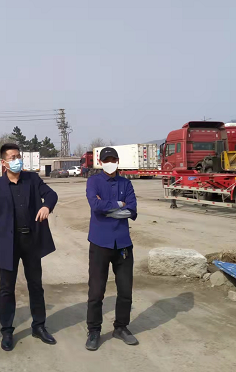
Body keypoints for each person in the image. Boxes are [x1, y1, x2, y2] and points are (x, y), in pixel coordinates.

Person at [0, 143, 59, 351]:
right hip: (9, 244)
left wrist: (46, 206)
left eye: (19, 156)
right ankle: (7, 331)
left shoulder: (32, 179)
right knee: (7, 289)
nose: (17, 160)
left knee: (35, 285)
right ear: (4, 162)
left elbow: (51, 195)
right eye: (13, 157)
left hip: (31, 241)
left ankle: (39, 326)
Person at [85, 147, 138, 351]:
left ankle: (121, 327)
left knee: (125, 290)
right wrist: (118, 204)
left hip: (123, 244)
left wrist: (108, 208)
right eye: (106, 160)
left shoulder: (126, 183)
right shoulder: (93, 182)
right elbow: (95, 206)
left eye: (113, 159)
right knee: (96, 291)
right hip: (100, 242)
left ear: (117, 161)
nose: (110, 163)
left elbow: (132, 210)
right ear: (100, 162)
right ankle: (94, 330)